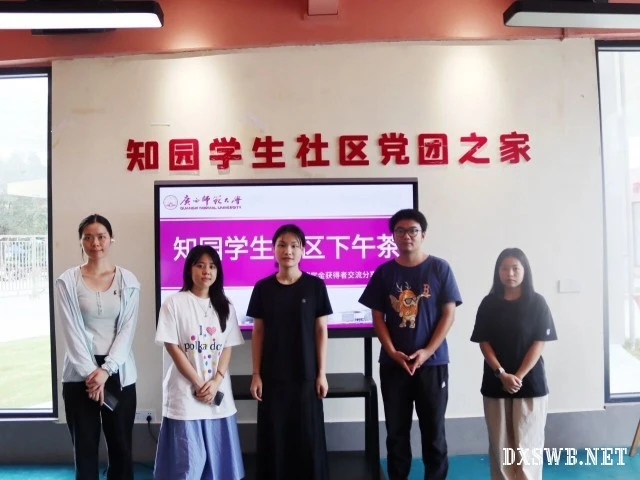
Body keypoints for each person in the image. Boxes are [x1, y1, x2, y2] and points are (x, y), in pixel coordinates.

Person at [359, 208, 462, 480]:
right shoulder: (384, 272)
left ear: (423, 234)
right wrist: (392, 352)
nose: (407, 236)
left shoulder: (440, 268)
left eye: (413, 230)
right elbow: (378, 317)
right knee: (396, 432)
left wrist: (427, 352)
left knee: (434, 432)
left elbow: (449, 314)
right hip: (394, 365)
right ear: (393, 236)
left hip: (433, 364)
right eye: (400, 231)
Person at [56, 214, 140, 480]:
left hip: (119, 374)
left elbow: (127, 330)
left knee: (121, 449)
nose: (95, 243)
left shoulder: (128, 280)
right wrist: (91, 374)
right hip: (79, 375)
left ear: (111, 239)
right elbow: (71, 330)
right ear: (81, 241)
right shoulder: (67, 281)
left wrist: (106, 370)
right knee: (84, 449)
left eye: (101, 237)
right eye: (88, 237)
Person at [248, 224, 332, 480]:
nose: (288, 251)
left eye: (295, 245)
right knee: (274, 438)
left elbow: (321, 330)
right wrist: (256, 374)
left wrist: (321, 373)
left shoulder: (315, 286)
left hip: (306, 375)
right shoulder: (262, 288)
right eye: (282, 245)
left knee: (308, 438)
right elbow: (258, 332)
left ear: (303, 250)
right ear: (273, 250)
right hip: (272, 377)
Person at [154, 245, 245, 480]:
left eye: (212, 266)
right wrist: (197, 382)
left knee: (219, 465)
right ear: (189, 269)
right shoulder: (174, 303)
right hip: (185, 395)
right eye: (200, 265)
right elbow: (172, 346)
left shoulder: (225, 305)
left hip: (217, 394)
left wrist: (216, 381)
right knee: (188, 465)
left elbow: (227, 346)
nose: (207, 271)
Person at [470, 248, 557, 480]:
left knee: (528, 446)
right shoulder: (488, 303)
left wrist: (517, 376)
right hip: (495, 384)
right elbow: (484, 342)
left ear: (525, 271)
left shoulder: (537, 303)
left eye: (515, 268)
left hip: (530, 386)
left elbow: (539, 342)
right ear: (497, 272)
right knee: (501, 448)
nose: (510, 273)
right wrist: (501, 374)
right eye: (505, 268)